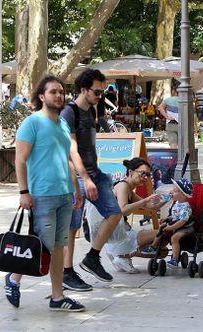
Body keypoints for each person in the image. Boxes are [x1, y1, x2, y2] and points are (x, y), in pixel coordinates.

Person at [6, 75, 85, 311]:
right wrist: (23, 192)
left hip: (64, 194)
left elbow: (66, 159)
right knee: (43, 244)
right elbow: (20, 160)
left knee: (59, 245)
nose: (59, 95)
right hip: (41, 195)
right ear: (42, 96)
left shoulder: (62, 124)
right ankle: (13, 278)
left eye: (61, 91)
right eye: (53, 92)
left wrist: (76, 187)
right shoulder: (31, 123)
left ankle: (57, 297)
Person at [61, 69, 123, 289]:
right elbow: (72, 150)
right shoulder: (70, 113)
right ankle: (66, 273)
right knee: (72, 226)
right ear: (84, 90)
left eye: (102, 92)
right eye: (97, 92)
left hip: (95, 173)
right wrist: (84, 179)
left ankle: (92, 258)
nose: (100, 96)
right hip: (77, 177)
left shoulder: (92, 110)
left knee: (114, 213)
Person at [85, 158, 167, 273]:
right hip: (116, 234)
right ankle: (121, 256)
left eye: (148, 175)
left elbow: (151, 207)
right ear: (130, 171)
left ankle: (121, 255)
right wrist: (144, 201)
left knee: (163, 251)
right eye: (142, 173)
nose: (145, 177)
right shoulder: (123, 186)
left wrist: (168, 198)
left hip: (119, 233)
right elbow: (123, 210)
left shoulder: (129, 189)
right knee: (162, 234)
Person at [158, 178, 194, 268]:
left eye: (174, 191)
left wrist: (171, 227)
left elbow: (182, 221)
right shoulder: (177, 203)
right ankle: (154, 246)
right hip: (176, 226)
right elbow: (174, 216)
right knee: (162, 228)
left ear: (182, 194)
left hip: (185, 228)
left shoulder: (185, 207)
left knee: (174, 238)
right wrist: (166, 218)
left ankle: (175, 259)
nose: (171, 193)